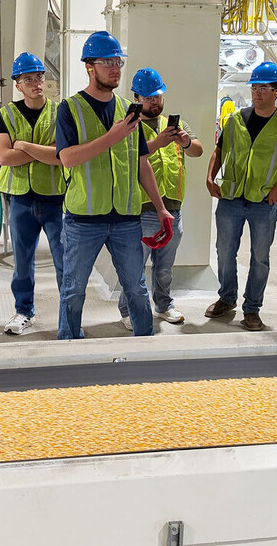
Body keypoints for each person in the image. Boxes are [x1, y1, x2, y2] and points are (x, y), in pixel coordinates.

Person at [55, 31, 174, 339]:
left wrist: (160, 208)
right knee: (73, 289)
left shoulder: (128, 110)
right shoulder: (70, 109)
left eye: (118, 61)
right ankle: (68, 344)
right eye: (107, 62)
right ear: (89, 67)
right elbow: (67, 158)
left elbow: (141, 163)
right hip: (83, 219)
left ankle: (144, 345)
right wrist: (112, 137)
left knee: (136, 288)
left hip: (125, 219)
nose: (115, 68)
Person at [205, 62, 277, 330]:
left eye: (263, 88)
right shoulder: (235, 119)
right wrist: (209, 176)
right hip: (231, 197)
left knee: (260, 257)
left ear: (276, 91)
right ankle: (227, 298)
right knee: (224, 252)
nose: (257, 92)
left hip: (264, 202)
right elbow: (219, 150)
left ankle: (252, 308)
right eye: (255, 87)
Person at [118, 68, 204, 331]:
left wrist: (186, 141)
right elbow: (130, 159)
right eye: (148, 97)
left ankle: (164, 305)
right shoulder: (128, 125)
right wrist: (160, 142)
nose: (154, 102)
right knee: (134, 267)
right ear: (136, 97)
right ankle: (128, 310)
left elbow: (197, 151)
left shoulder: (174, 124)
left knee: (165, 267)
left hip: (173, 208)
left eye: (157, 96)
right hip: (142, 210)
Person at [0, 52, 65, 335]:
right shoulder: (7, 115)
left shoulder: (61, 112)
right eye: (28, 79)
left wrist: (24, 145)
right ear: (18, 85)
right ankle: (24, 312)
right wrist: (41, 152)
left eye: (39, 77)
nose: (36, 83)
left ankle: (68, 313)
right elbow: (4, 157)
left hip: (55, 197)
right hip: (21, 198)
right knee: (22, 260)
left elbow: (62, 156)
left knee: (64, 259)